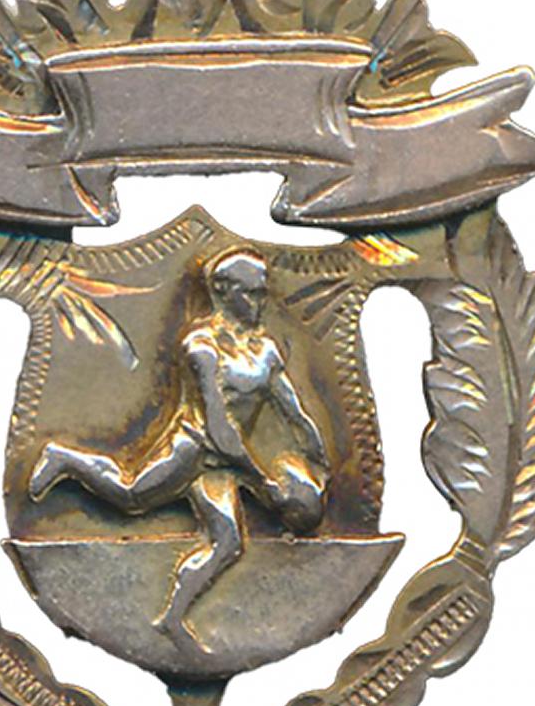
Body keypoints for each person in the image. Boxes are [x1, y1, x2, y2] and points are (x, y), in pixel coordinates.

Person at [29, 248, 328, 652]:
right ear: (223, 292)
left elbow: (293, 411)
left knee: (228, 543)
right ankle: (65, 459)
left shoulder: (266, 351)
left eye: (263, 292)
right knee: (131, 494)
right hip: (194, 450)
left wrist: (318, 456)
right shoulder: (201, 347)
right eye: (252, 293)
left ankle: (170, 619)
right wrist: (263, 480)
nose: (260, 302)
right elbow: (219, 428)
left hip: (223, 464)